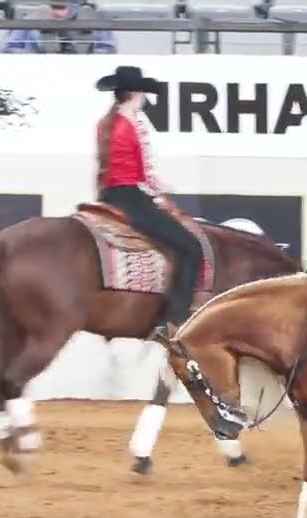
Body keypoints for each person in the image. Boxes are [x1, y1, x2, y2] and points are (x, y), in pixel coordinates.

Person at [94, 65, 202, 339]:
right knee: (191, 247)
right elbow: (144, 174)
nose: (144, 98)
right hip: (131, 198)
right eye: (141, 93)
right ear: (134, 94)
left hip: (108, 195)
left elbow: (112, 168)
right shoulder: (133, 125)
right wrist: (161, 193)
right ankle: (174, 318)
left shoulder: (105, 124)